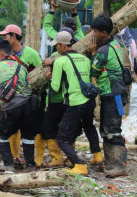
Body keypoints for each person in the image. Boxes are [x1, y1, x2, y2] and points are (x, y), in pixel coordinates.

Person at [45, 31, 100, 175]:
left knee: (62, 138)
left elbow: (56, 87)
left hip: (74, 102)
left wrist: (50, 78)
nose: (56, 48)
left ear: (63, 45)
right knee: (89, 126)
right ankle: (98, 155)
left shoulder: (60, 61)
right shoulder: (84, 59)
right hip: (89, 101)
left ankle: (79, 165)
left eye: (57, 45)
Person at [0, 24, 43, 166]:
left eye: (6, 36)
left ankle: (34, 161)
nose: (4, 38)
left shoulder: (31, 54)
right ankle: (15, 156)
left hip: (31, 98)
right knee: (13, 130)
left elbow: (42, 73)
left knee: (31, 130)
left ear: (14, 36)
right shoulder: (6, 55)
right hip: (12, 100)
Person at [0, 40, 36, 171]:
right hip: (28, 105)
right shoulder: (22, 67)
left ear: (1, 53)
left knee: (2, 134)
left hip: (11, 106)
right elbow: (28, 84)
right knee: (27, 135)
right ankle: (30, 165)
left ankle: (8, 165)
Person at [90, 14, 128, 177]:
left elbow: (94, 71)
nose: (93, 34)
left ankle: (119, 166)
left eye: (96, 31)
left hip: (112, 94)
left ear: (104, 33)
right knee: (107, 128)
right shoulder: (115, 43)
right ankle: (111, 163)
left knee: (112, 129)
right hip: (116, 92)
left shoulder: (103, 51)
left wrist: (93, 53)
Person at [115, 27, 137, 116]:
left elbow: (135, 58)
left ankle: (123, 115)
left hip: (126, 72)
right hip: (119, 71)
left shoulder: (130, 42)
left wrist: (134, 73)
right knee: (119, 94)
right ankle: (120, 114)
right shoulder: (115, 41)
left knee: (124, 94)